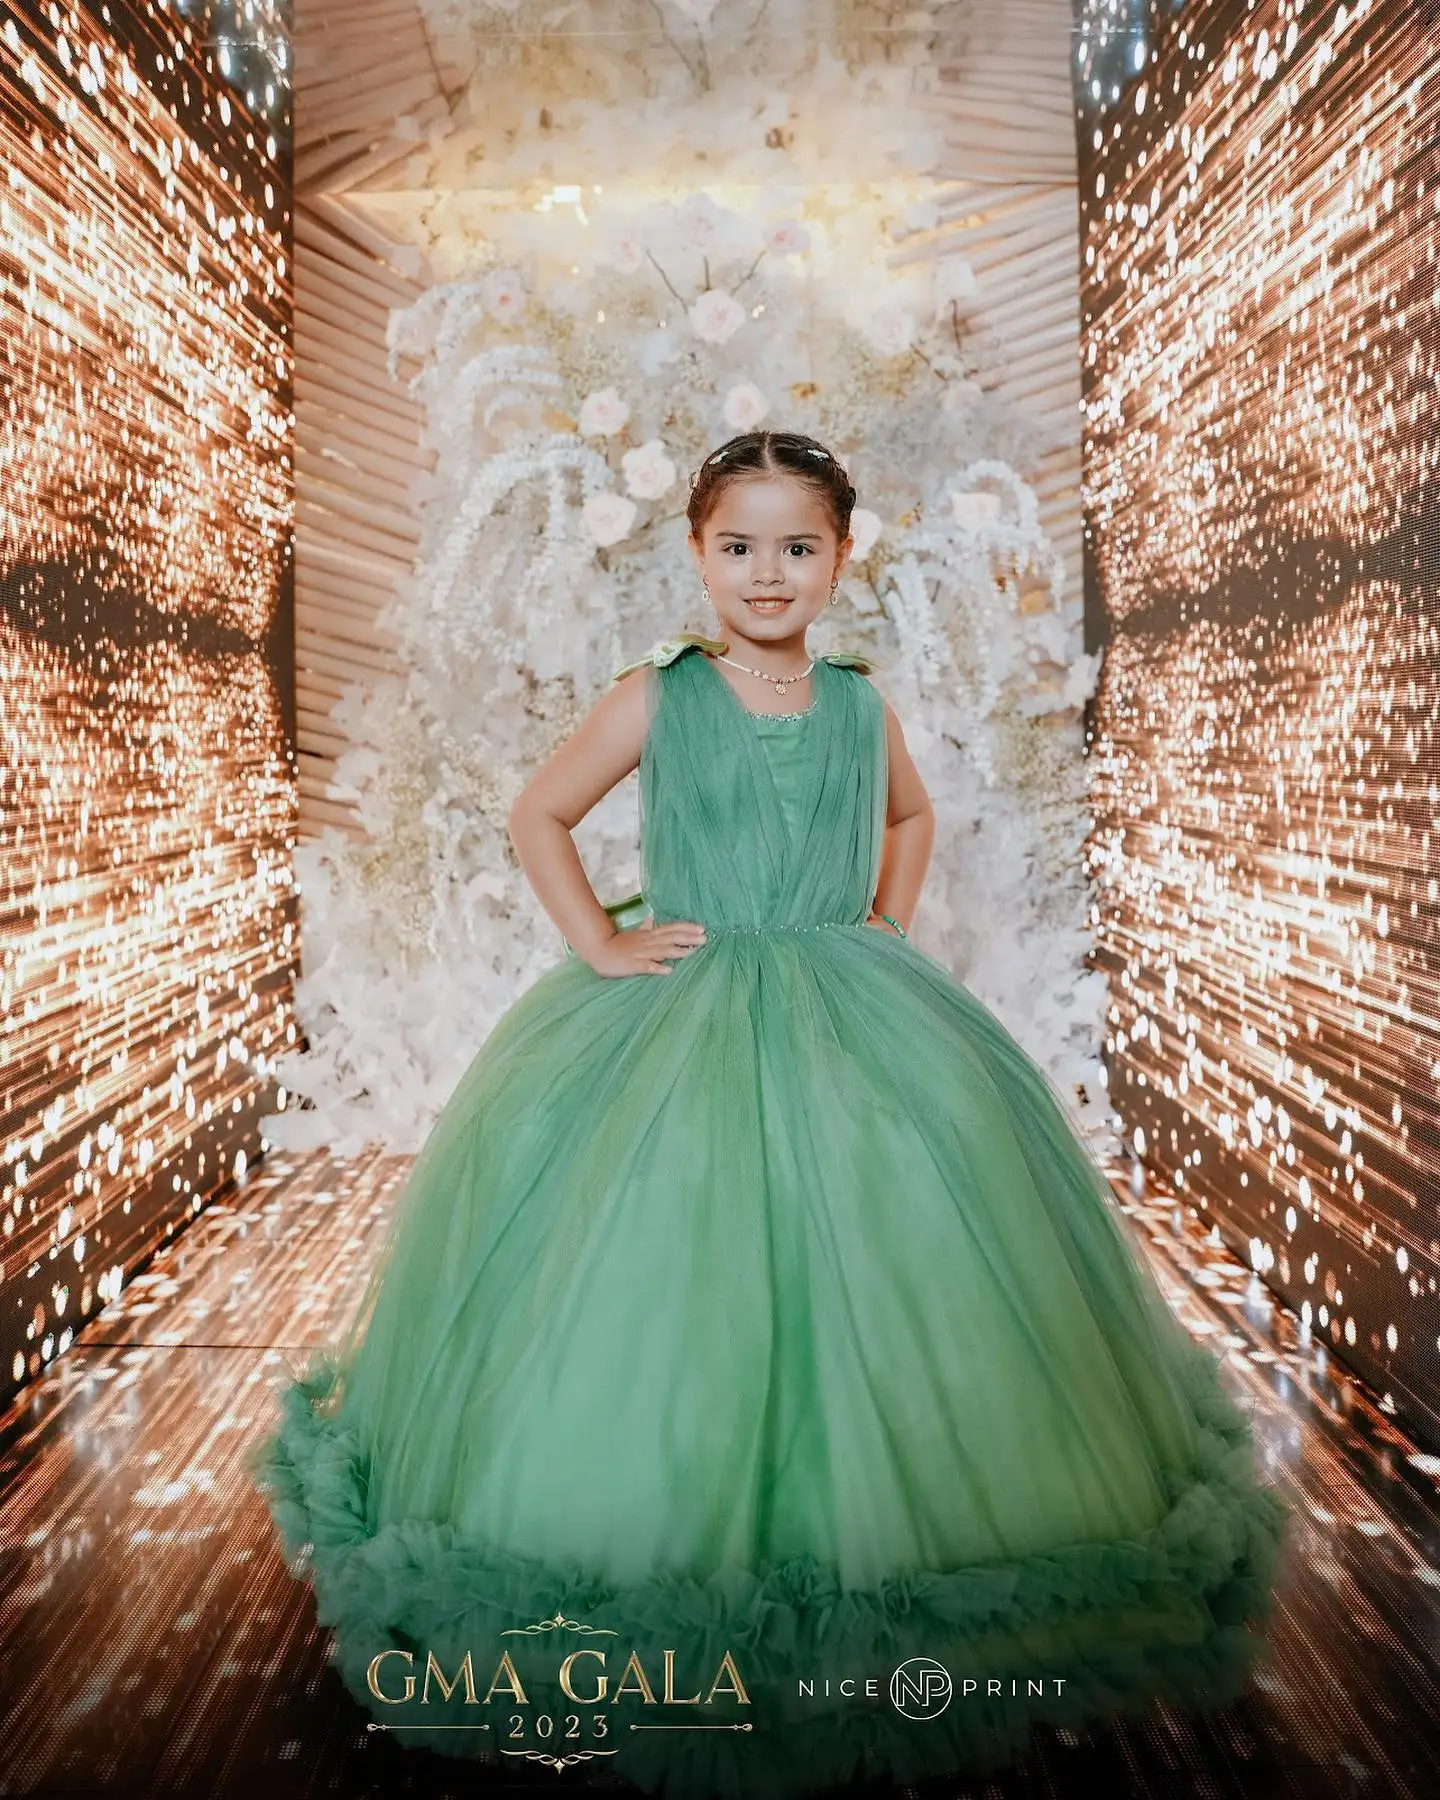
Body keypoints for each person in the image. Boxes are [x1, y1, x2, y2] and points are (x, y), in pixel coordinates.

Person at [248, 428, 1289, 1800]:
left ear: (840, 559)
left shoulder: (861, 707)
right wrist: (602, 946)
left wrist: (886, 917)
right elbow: (538, 813)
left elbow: (909, 819)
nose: (767, 572)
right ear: (696, 554)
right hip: (685, 1005)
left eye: (799, 547)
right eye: (738, 546)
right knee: (671, 1260)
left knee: (892, 1242)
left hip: (848, 994)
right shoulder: (658, 694)